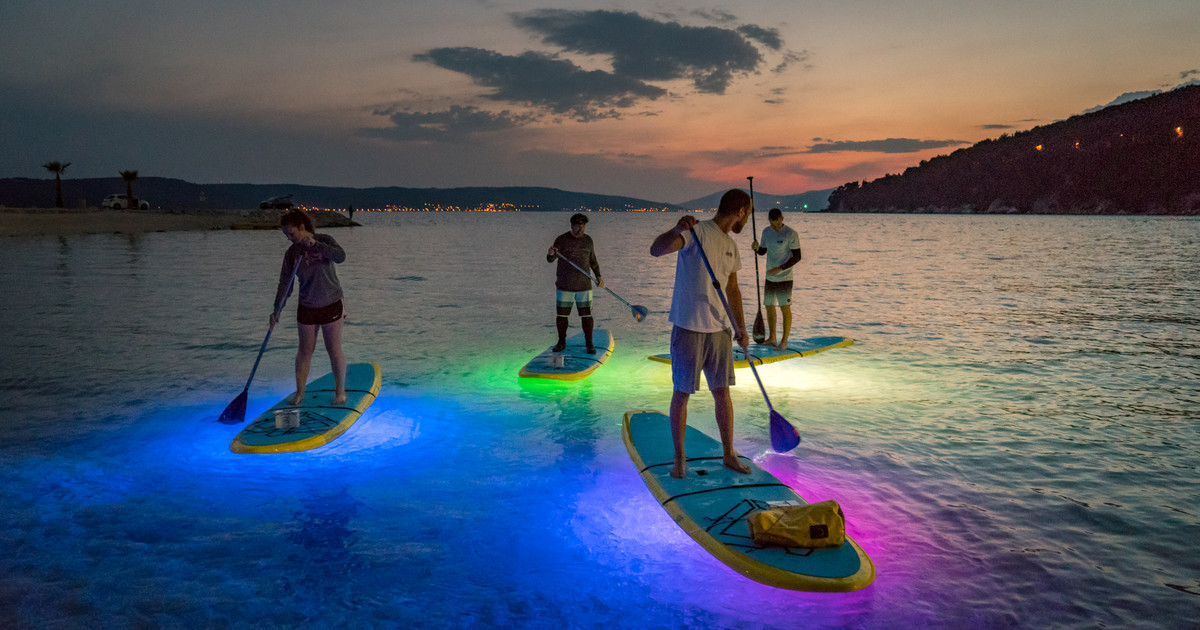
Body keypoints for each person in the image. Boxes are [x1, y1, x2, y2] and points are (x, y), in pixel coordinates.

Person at [650, 189, 754, 479]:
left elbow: (732, 290)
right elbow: (656, 250)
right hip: (689, 327)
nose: (748, 218)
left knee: (722, 393)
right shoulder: (697, 233)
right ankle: (679, 459)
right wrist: (676, 229)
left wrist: (740, 328)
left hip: (720, 330)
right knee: (682, 394)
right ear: (741, 211)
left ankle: (729, 454)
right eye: (749, 212)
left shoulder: (732, 246)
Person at [270, 209, 348, 405]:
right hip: (307, 306)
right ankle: (299, 393)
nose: (289, 238)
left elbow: (341, 256)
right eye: (286, 235)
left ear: (302, 227)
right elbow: (285, 283)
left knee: (333, 348)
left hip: (331, 303)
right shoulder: (292, 253)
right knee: (305, 350)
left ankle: (340, 392)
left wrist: (317, 246)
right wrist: (276, 309)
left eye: (292, 233)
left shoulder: (324, 239)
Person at [546, 213, 604, 353]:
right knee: (562, 315)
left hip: (584, 286)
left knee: (586, 316)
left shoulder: (588, 240)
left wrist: (599, 277)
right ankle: (561, 342)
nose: (582, 228)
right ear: (572, 226)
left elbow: (593, 261)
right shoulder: (562, 239)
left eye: (583, 225)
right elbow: (550, 260)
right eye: (579, 225)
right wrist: (550, 253)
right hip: (564, 285)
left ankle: (589, 344)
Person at [751, 208, 802, 350]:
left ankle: (784, 342)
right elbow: (763, 251)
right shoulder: (766, 232)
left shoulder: (791, 234)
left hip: (785, 277)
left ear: (782, 218)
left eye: (777, 224)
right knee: (769, 306)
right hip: (769, 277)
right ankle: (772, 338)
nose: (775, 227)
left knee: (785, 308)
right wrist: (756, 248)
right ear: (769, 221)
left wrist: (780, 268)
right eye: (773, 224)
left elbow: (797, 256)